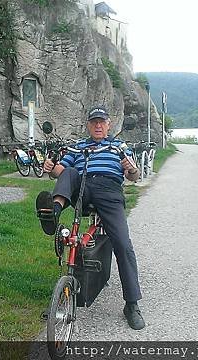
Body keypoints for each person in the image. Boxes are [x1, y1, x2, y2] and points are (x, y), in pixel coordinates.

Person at [36, 105, 145, 330]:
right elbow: (61, 172)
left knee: (123, 245)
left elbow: (134, 176)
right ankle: (53, 212)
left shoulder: (118, 146)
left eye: (101, 122)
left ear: (108, 125)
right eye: (94, 122)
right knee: (69, 172)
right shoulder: (78, 146)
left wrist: (131, 168)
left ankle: (131, 304)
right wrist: (51, 167)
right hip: (83, 187)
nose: (98, 125)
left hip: (109, 190)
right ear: (88, 125)